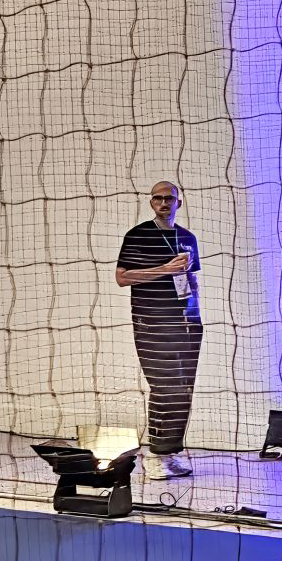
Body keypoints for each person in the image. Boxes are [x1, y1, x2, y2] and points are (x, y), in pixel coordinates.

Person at [114, 181, 202, 480]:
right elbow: (123, 278)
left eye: (169, 199)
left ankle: (168, 452)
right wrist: (165, 269)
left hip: (185, 324)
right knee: (164, 387)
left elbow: (190, 280)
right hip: (151, 323)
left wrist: (194, 315)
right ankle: (152, 454)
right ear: (151, 203)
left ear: (179, 203)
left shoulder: (187, 237)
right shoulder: (137, 235)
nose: (164, 203)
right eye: (158, 198)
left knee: (183, 389)